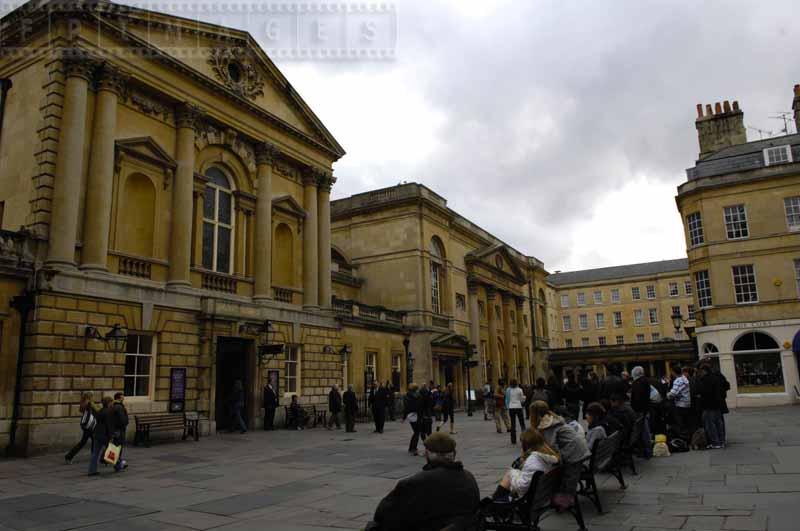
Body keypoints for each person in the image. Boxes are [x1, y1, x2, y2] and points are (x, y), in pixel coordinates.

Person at [366, 432, 480, 531]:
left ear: (427, 454)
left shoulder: (415, 483)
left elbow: (382, 514)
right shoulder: (469, 478)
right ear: (454, 454)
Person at [529, 400, 590, 509]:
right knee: (566, 475)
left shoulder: (547, 425)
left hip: (573, 454)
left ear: (535, 414)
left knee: (567, 477)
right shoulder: (552, 418)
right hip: (578, 450)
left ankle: (564, 502)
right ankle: (562, 499)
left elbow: (551, 447)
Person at [491, 428, 560, 501]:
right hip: (542, 493)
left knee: (509, 475)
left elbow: (522, 487)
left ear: (526, 445)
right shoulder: (549, 455)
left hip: (528, 499)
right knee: (511, 474)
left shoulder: (533, 459)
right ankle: (496, 499)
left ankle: (495, 501)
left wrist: (512, 475)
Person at [695, 361, 725, 449]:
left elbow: (704, 391)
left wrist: (699, 395)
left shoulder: (706, 379)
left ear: (704, 371)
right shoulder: (717, 377)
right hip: (718, 404)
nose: (700, 373)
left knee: (710, 425)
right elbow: (725, 386)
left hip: (708, 405)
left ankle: (715, 442)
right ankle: (721, 441)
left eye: (701, 371)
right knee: (719, 423)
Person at [65, 391, 99, 464]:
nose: (93, 397)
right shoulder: (90, 403)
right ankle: (69, 456)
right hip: (90, 426)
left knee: (88, 441)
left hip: (86, 426)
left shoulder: (83, 403)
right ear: (90, 396)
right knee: (88, 441)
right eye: (92, 396)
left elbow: (82, 411)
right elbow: (98, 411)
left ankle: (69, 456)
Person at [629, 366, 653, 458]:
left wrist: (635, 408)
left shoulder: (638, 383)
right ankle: (646, 450)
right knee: (644, 430)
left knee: (643, 431)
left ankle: (646, 451)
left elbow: (637, 398)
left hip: (640, 411)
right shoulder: (645, 380)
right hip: (645, 409)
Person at [88, 396, 113, 477]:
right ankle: (118, 465)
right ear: (108, 403)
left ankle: (92, 471)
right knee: (112, 450)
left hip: (96, 433)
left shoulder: (100, 411)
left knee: (95, 453)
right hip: (104, 434)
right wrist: (110, 435)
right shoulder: (108, 412)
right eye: (111, 402)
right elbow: (108, 425)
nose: (112, 404)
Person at [667, 366, 692, 441]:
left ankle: (684, 439)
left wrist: (667, 395)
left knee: (680, 424)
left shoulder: (678, 380)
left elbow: (673, 393)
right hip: (687, 403)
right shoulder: (685, 379)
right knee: (686, 423)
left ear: (674, 372)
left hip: (680, 404)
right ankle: (688, 438)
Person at [403, 383, 424, 456]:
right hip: (417, 415)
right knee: (417, 432)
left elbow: (406, 407)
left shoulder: (406, 395)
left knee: (416, 432)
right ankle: (413, 448)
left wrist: (404, 417)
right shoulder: (419, 396)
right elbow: (420, 406)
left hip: (410, 415)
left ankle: (411, 447)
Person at [110, 392, 129, 471]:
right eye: (122, 397)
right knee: (118, 448)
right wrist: (125, 422)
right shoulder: (119, 407)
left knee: (116, 447)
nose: (123, 398)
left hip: (116, 429)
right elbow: (122, 420)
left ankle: (119, 463)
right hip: (119, 430)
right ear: (118, 398)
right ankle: (117, 466)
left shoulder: (114, 406)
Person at [506, 379, 526, 445]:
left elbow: (506, 399)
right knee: (522, 423)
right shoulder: (520, 390)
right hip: (518, 406)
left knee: (513, 423)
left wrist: (507, 406)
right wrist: (524, 398)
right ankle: (524, 437)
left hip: (511, 407)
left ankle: (513, 440)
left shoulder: (508, 390)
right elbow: (521, 399)